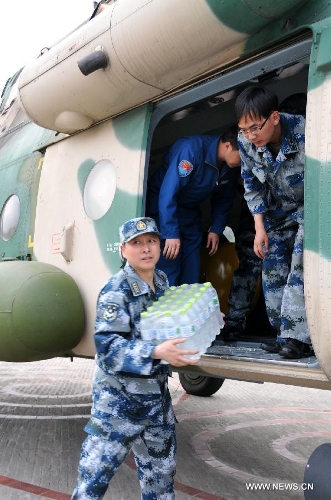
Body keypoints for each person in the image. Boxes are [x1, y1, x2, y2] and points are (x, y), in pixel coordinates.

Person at [71, 217, 199, 500]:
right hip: (118, 408)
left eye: (151, 241)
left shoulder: (162, 281)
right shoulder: (116, 290)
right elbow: (108, 348)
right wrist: (154, 352)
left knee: (161, 485)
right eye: (137, 243)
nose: (146, 248)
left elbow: (172, 323)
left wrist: (204, 319)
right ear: (123, 250)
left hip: (156, 408)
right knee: (91, 484)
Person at [222, 92, 307, 343]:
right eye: (244, 129)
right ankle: (283, 336)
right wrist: (259, 228)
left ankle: (297, 340)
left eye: (255, 128)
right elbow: (252, 186)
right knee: (272, 275)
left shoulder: (305, 131)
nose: (250, 135)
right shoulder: (246, 142)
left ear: (275, 117)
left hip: (309, 207)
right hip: (276, 213)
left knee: (299, 266)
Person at [146, 126, 241, 286]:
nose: (244, 162)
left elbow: (224, 198)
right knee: (170, 262)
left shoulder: (230, 167)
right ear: (228, 146)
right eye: (243, 156)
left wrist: (216, 229)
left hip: (189, 212)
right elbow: (168, 192)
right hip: (163, 210)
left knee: (192, 267)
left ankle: (190, 306)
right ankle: (171, 308)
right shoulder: (191, 151)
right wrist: (170, 233)